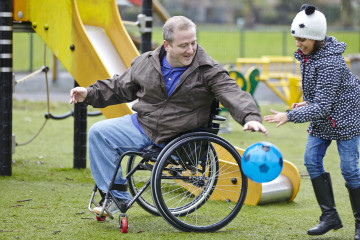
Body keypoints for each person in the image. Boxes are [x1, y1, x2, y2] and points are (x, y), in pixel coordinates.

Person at [70, 16, 268, 217]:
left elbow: (232, 92)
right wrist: (89, 93)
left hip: (180, 136)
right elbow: (120, 87)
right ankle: (116, 196)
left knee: (103, 132)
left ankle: (116, 196)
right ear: (167, 45)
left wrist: (250, 116)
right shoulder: (145, 62)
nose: (191, 50)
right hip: (144, 125)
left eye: (193, 43)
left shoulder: (208, 70)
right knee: (98, 132)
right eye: (183, 45)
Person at [264, 5, 360, 239]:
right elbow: (320, 99)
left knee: (349, 170)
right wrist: (307, 104)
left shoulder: (331, 62)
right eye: (296, 38)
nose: (298, 43)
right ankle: (330, 217)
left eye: (303, 39)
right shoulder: (309, 56)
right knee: (311, 160)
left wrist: (288, 115)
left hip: (346, 118)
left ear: (317, 37)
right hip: (323, 117)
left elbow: (324, 105)